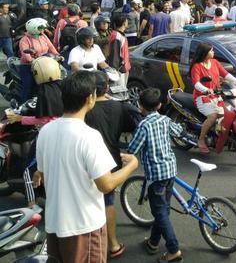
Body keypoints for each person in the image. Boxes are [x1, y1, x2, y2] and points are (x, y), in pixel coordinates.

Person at [33, 71, 139, 263]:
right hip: (85, 227)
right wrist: (132, 165)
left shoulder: (46, 131)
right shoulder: (89, 136)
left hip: (55, 224)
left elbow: (42, 173)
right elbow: (106, 184)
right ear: (90, 98)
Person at [85, 71, 137, 259]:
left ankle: (91, 244)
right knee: (107, 202)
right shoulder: (118, 107)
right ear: (107, 87)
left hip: (89, 162)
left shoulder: (85, 110)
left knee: (89, 200)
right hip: (112, 162)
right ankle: (113, 244)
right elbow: (130, 127)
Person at [127, 88, 183, 263]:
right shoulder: (165, 120)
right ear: (159, 105)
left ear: (140, 106)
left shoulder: (144, 126)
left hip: (156, 176)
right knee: (163, 210)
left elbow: (132, 150)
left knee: (159, 212)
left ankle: (174, 250)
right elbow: (179, 131)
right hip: (170, 171)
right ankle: (153, 243)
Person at [190, 42, 236, 153]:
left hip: (216, 96)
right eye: (211, 50)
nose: (213, 52)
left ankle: (219, 134)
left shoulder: (215, 62)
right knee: (213, 116)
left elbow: (226, 74)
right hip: (202, 97)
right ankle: (201, 140)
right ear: (205, 53)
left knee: (227, 114)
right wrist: (205, 90)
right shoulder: (196, 66)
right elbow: (196, 83)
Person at [18, 18, 59, 102]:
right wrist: (33, 60)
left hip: (44, 65)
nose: (43, 30)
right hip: (28, 66)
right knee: (28, 86)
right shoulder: (25, 40)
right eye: (41, 28)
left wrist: (58, 56)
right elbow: (27, 56)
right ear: (34, 28)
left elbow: (51, 47)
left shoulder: (43, 36)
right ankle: (22, 105)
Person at [108, 15, 130, 86]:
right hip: (119, 70)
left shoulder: (119, 35)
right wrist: (115, 71)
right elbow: (115, 55)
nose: (128, 23)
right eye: (127, 21)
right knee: (119, 93)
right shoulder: (117, 36)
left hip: (123, 68)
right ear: (124, 23)